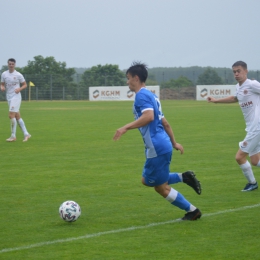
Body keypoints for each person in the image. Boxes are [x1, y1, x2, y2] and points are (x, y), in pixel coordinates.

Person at [113, 62, 202, 221]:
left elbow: (149, 117)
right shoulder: (152, 95)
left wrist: (125, 128)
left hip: (156, 146)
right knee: (149, 180)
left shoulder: (141, 95)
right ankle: (184, 178)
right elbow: (164, 122)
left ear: (136, 78)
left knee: (158, 186)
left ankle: (193, 211)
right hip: (162, 144)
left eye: (128, 78)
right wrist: (174, 142)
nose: (127, 82)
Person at [207, 61, 260, 192]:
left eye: (239, 71)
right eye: (234, 72)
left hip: (257, 126)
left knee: (239, 157)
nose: (236, 74)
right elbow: (234, 98)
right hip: (251, 127)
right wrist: (216, 101)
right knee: (255, 160)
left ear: (246, 71)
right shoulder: (238, 87)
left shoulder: (252, 84)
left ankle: (252, 183)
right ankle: (252, 183)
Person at [1, 58, 31, 142]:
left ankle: (13, 136)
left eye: (12, 64)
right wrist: (2, 87)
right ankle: (26, 134)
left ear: (15, 65)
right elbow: (2, 84)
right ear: (8, 64)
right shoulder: (4, 74)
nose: (11, 65)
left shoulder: (18, 75)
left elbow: (25, 85)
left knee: (11, 115)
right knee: (17, 116)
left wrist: (19, 89)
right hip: (9, 96)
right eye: (10, 64)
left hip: (16, 96)